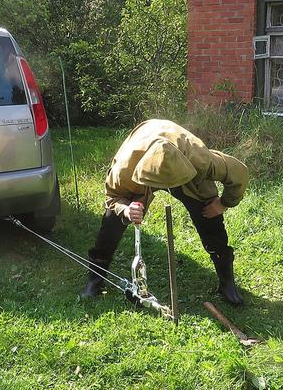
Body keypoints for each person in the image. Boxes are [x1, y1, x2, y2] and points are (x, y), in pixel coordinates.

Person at [82, 119, 249, 305]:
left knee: (209, 216)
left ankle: (227, 282)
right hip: (142, 165)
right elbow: (112, 198)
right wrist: (126, 209)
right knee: (112, 222)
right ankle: (95, 279)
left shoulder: (200, 159)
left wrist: (223, 204)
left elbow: (239, 173)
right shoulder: (125, 168)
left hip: (187, 171)